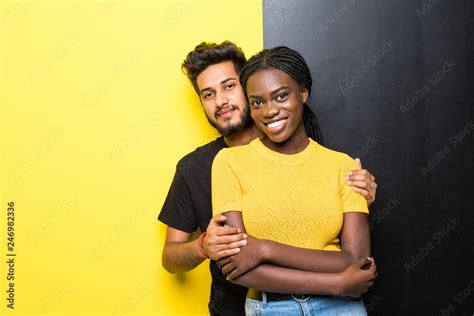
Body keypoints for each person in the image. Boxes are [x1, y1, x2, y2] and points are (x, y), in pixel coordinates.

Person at [158, 41, 378, 316]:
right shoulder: (201, 166)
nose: (221, 101)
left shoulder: (316, 150)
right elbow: (172, 257)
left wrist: (262, 248)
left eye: (228, 86)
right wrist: (203, 245)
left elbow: (356, 258)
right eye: (208, 94)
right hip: (245, 305)